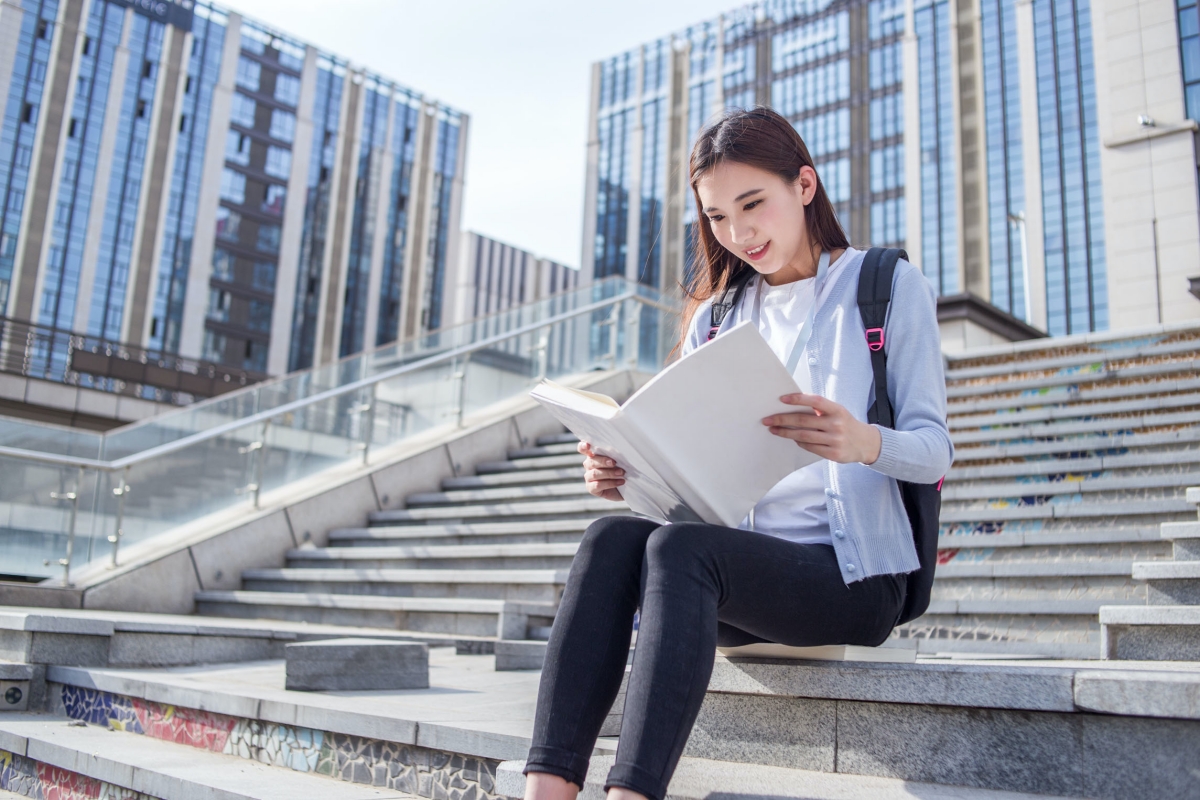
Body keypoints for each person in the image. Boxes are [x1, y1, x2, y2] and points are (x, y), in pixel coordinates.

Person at [522, 106, 953, 800]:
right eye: (718, 217)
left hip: (853, 581)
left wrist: (863, 441)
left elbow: (935, 453)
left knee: (681, 551)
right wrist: (624, 469)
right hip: (733, 576)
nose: (739, 233)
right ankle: (545, 792)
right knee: (610, 539)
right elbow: (687, 468)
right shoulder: (720, 315)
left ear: (804, 186)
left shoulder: (884, 288)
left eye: (753, 204)